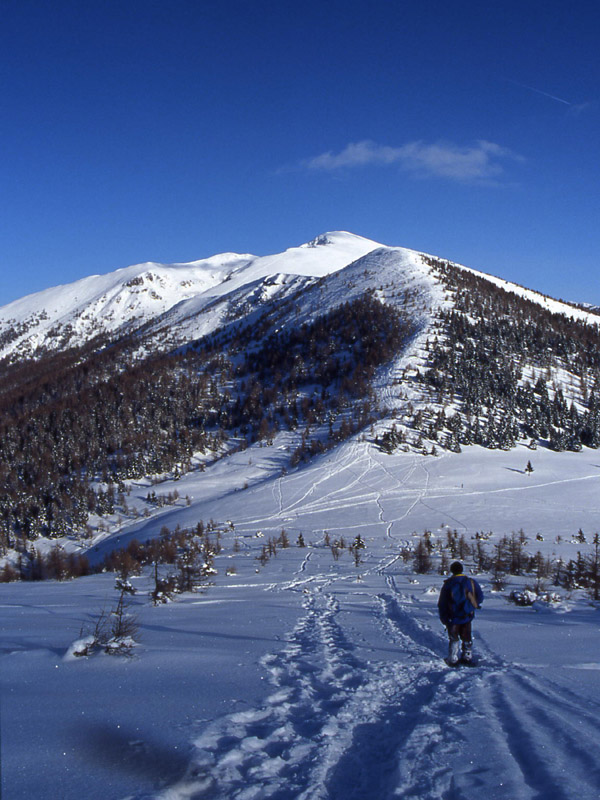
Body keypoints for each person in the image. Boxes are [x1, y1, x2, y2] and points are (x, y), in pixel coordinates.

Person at [438, 561, 484, 665]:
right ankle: (467, 657)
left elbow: (442, 603)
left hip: (452, 617)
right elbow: (480, 597)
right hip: (467, 615)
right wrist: (471, 606)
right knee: (466, 635)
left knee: (454, 637)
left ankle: (453, 658)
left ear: (452, 570)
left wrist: (443, 617)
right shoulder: (470, 582)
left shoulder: (448, 584)